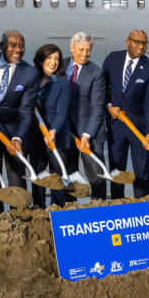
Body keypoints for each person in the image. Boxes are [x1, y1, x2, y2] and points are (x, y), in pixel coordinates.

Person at [0, 30, 39, 211]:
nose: (18, 49)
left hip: (14, 134)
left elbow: (26, 109)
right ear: (2, 46)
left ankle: (19, 220)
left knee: (16, 181)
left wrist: (18, 137)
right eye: (13, 45)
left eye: (21, 46)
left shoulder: (29, 73)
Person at [102, 29, 149, 198]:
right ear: (127, 42)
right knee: (117, 170)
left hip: (138, 128)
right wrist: (108, 106)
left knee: (141, 171)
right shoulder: (113, 59)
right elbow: (102, 88)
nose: (140, 47)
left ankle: (140, 207)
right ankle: (117, 206)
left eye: (144, 43)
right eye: (136, 42)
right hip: (116, 126)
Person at [62, 33, 108, 203]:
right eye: (81, 49)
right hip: (65, 130)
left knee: (96, 175)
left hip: (89, 132)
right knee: (68, 174)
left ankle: (99, 209)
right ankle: (69, 209)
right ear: (72, 47)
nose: (85, 54)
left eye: (88, 50)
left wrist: (87, 134)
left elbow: (97, 108)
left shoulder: (96, 72)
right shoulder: (61, 65)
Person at [27, 44, 71, 208]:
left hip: (56, 135)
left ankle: (56, 209)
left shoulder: (62, 82)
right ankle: (38, 209)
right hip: (36, 135)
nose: (53, 62)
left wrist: (53, 131)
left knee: (57, 176)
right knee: (38, 175)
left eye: (56, 59)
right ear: (40, 59)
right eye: (49, 58)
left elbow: (62, 112)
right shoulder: (32, 80)